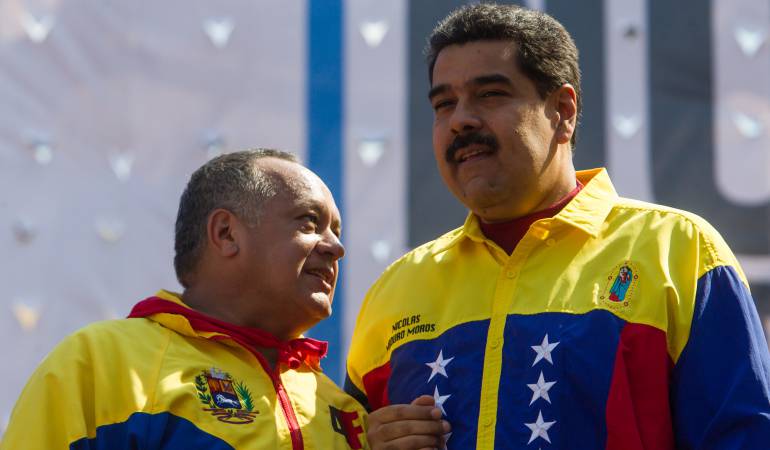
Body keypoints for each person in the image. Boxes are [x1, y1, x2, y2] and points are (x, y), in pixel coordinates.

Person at [344, 4, 770, 449]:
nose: (460, 120)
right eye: (443, 104)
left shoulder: (679, 251)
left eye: (490, 94)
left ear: (563, 111)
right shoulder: (394, 290)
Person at [1, 149, 368, 449]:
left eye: (336, 231)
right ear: (226, 233)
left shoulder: (344, 410)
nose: (336, 248)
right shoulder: (102, 363)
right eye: (309, 222)